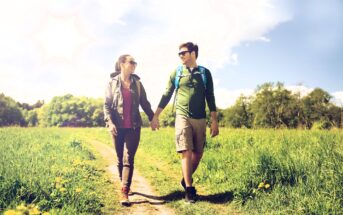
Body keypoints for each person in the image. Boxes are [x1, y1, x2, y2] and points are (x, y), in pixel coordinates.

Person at [151, 42, 219, 203]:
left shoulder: (204, 73)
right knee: (186, 150)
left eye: (184, 53)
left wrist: (214, 121)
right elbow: (167, 94)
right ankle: (189, 188)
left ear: (194, 53)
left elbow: (210, 96)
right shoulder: (176, 73)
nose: (181, 56)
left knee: (198, 153)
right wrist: (156, 116)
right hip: (182, 116)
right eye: (179, 54)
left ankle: (185, 178)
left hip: (201, 118)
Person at [104, 54, 154, 206]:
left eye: (135, 63)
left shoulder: (137, 83)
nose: (134, 65)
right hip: (117, 126)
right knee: (120, 158)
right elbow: (106, 105)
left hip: (134, 126)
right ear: (122, 64)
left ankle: (124, 191)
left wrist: (153, 118)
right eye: (131, 62)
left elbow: (144, 103)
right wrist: (110, 123)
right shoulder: (111, 83)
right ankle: (124, 183)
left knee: (128, 158)